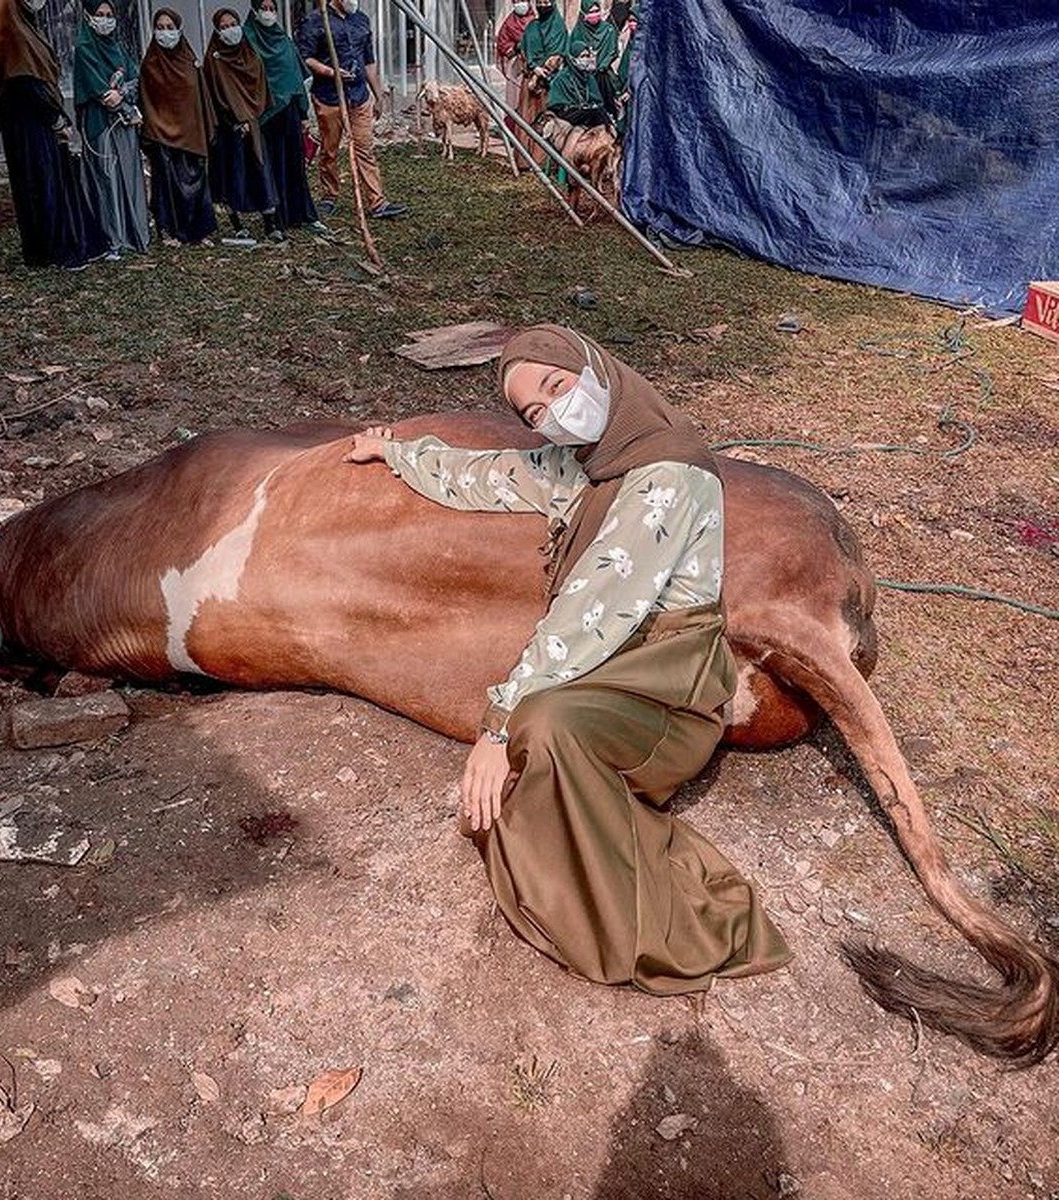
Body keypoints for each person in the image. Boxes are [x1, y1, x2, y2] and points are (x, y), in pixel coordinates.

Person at [344, 325, 790, 996]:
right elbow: (488, 476)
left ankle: (638, 909)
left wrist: (496, 727)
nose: (555, 414)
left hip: (670, 687)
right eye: (535, 413)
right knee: (538, 721)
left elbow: (593, 609)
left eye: (558, 387)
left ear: (595, 366)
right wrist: (396, 451)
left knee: (541, 722)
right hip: (619, 668)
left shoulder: (669, 474)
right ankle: (576, 843)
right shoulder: (585, 463)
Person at [0, 0, 109, 270]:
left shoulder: (28, 30)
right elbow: (24, 82)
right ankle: (55, 250)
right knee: (42, 185)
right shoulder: (13, 34)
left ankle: (54, 248)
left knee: (52, 183)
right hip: (29, 129)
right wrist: (54, 119)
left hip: (37, 124)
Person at [297, 0, 406, 220]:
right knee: (330, 151)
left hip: (359, 96)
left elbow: (369, 62)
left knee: (364, 148)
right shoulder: (315, 21)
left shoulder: (361, 20)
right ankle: (329, 196)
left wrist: (378, 94)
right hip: (329, 97)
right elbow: (305, 57)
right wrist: (331, 72)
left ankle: (377, 202)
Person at [73, 0, 150, 259]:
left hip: (124, 124)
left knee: (129, 176)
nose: (105, 20)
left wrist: (124, 96)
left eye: (109, 15)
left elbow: (135, 77)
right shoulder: (84, 49)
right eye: (100, 14)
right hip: (101, 125)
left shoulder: (117, 48)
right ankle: (112, 239)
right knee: (108, 180)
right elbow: (98, 90)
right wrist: (117, 99)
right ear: (89, 17)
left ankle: (135, 233)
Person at [243, 0, 328, 234]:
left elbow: (296, 74)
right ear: (255, 9)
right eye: (264, 8)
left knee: (294, 163)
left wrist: (302, 113)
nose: (268, 13)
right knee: (271, 164)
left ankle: (304, 215)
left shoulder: (283, 39)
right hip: (264, 113)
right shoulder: (247, 38)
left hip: (289, 110)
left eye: (272, 8)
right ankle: (275, 219)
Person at [203, 7, 284, 244]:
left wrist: (250, 118)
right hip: (228, 129)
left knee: (260, 172)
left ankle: (271, 224)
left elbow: (260, 90)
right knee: (233, 176)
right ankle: (237, 225)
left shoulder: (251, 55)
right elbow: (212, 96)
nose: (230, 30)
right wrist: (234, 120)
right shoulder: (213, 59)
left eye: (233, 24)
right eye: (224, 26)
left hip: (254, 128)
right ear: (217, 31)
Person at [139, 8, 217, 246]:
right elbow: (145, 101)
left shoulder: (189, 61)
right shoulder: (150, 64)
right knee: (168, 186)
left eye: (170, 28)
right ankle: (170, 231)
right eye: (160, 28)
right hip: (163, 135)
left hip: (191, 133)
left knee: (195, 182)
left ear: (179, 30)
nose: (165, 33)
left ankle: (198, 231)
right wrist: (154, 130)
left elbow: (202, 97)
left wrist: (205, 127)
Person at [515, 0, 567, 164]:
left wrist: (542, 70)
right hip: (529, 81)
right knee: (526, 119)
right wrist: (532, 67)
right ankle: (523, 159)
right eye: (540, 2)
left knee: (544, 120)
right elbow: (522, 50)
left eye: (546, 2)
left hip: (547, 84)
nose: (543, 5)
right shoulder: (532, 26)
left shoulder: (559, 27)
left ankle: (541, 161)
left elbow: (558, 54)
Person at [566, 0, 620, 115]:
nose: (594, 14)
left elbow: (613, 52)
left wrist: (601, 67)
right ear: (583, 13)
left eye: (597, 11)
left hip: (603, 76)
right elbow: (571, 52)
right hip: (582, 75)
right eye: (590, 12)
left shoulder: (608, 30)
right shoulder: (578, 31)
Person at [546, 46, 613, 129]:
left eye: (587, 56)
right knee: (595, 113)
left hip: (586, 111)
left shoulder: (588, 77)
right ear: (573, 59)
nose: (586, 59)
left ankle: (612, 132)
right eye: (582, 56)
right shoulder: (562, 77)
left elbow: (597, 100)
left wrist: (591, 105)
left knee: (599, 112)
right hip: (568, 113)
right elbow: (555, 104)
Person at [494, 0, 533, 113]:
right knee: (514, 99)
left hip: (533, 67)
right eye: (517, 1)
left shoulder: (536, 21)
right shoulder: (509, 23)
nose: (520, 4)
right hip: (516, 67)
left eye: (523, 0)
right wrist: (515, 48)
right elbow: (502, 44)